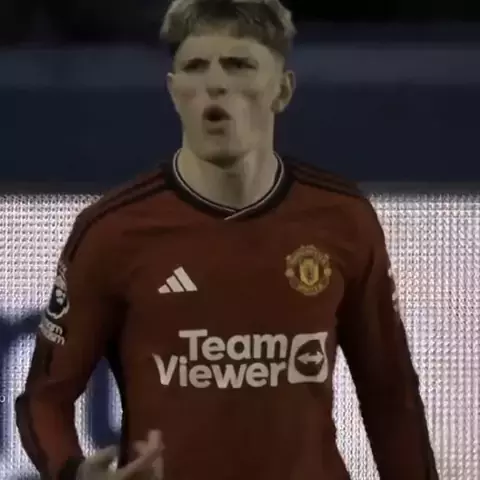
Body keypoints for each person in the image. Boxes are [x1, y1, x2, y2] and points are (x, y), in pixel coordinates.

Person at [15, 0, 439, 479]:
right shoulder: (112, 231)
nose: (214, 84)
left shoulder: (343, 219)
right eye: (196, 66)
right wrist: (72, 472)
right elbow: (43, 400)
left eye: (238, 64)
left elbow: (390, 394)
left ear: (282, 89)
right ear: (174, 91)